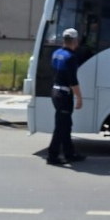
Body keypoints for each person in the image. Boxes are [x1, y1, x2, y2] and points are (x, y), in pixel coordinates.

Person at [46, 28, 86, 165]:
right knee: (61, 126)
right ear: (75, 41)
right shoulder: (71, 57)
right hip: (64, 94)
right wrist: (79, 98)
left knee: (66, 124)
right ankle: (52, 156)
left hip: (55, 91)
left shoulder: (56, 53)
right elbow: (73, 80)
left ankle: (70, 153)